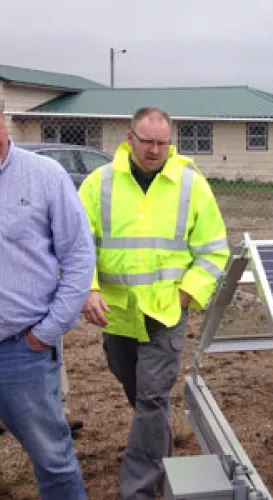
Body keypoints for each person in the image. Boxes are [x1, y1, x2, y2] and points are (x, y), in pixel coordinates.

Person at [79, 107, 230, 499]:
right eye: (147, 141)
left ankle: (139, 490)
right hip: (117, 315)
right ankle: (160, 451)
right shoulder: (99, 184)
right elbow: (77, 246)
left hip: (166, 313)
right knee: (141, 395)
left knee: (151, 397)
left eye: (162, 142)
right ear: (130, 138)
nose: (155, 150)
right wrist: (90, 289)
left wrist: (187, 293)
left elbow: (214, 250)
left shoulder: (190, 184)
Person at [0, 99, 94, 499]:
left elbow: (78, 255)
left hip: (23, 350)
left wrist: (48, 330)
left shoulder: (44, 175)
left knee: (53, 459)